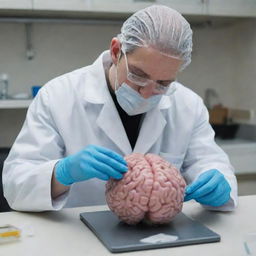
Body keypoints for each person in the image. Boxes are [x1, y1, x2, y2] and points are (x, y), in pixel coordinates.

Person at [3, 5, 237, 211]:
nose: (147, 92)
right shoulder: (58, 96)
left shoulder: (188, 105)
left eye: (163, 83)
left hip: (159, 237)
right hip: (77, 238)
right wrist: (62, 172)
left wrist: (218, 183)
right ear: (116, 51)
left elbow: (210, 162)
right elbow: (16, 185)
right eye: (138, 75)